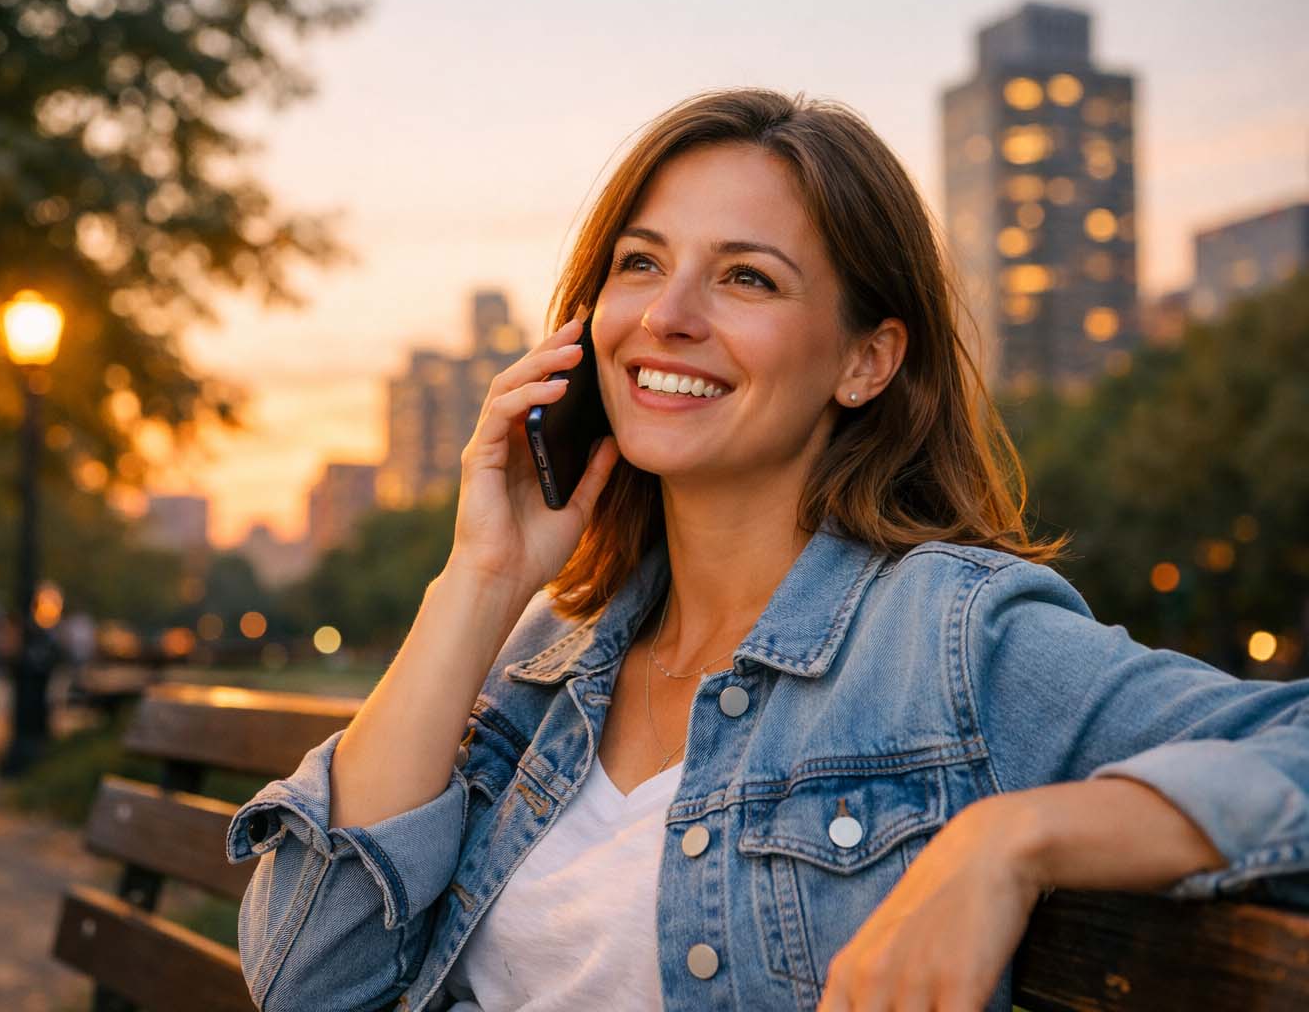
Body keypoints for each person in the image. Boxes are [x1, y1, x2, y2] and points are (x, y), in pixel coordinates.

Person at [224, 89, 1309, 1012]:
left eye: (746, 277)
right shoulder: (551, 647)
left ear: (867, 360)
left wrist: (1014, 841)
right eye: (641, 263)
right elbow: (308, 979)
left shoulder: (942, 633)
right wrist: (482, 578)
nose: (669, 315)